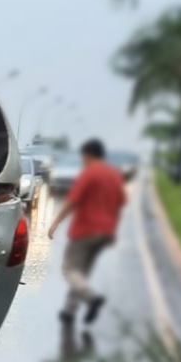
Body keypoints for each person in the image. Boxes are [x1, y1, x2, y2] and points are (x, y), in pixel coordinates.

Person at [47, 139, 127, 325]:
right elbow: (119, 204)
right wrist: (113, 233)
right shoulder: (115, 175)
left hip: (85, 231)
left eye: (83, 157)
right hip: (105, 232)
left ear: (89, 155)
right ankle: (69, 311)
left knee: (69, 271)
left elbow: (73, 200)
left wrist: (56, 223)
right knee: (81, 273)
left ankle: (92, 298)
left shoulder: (89, 173)